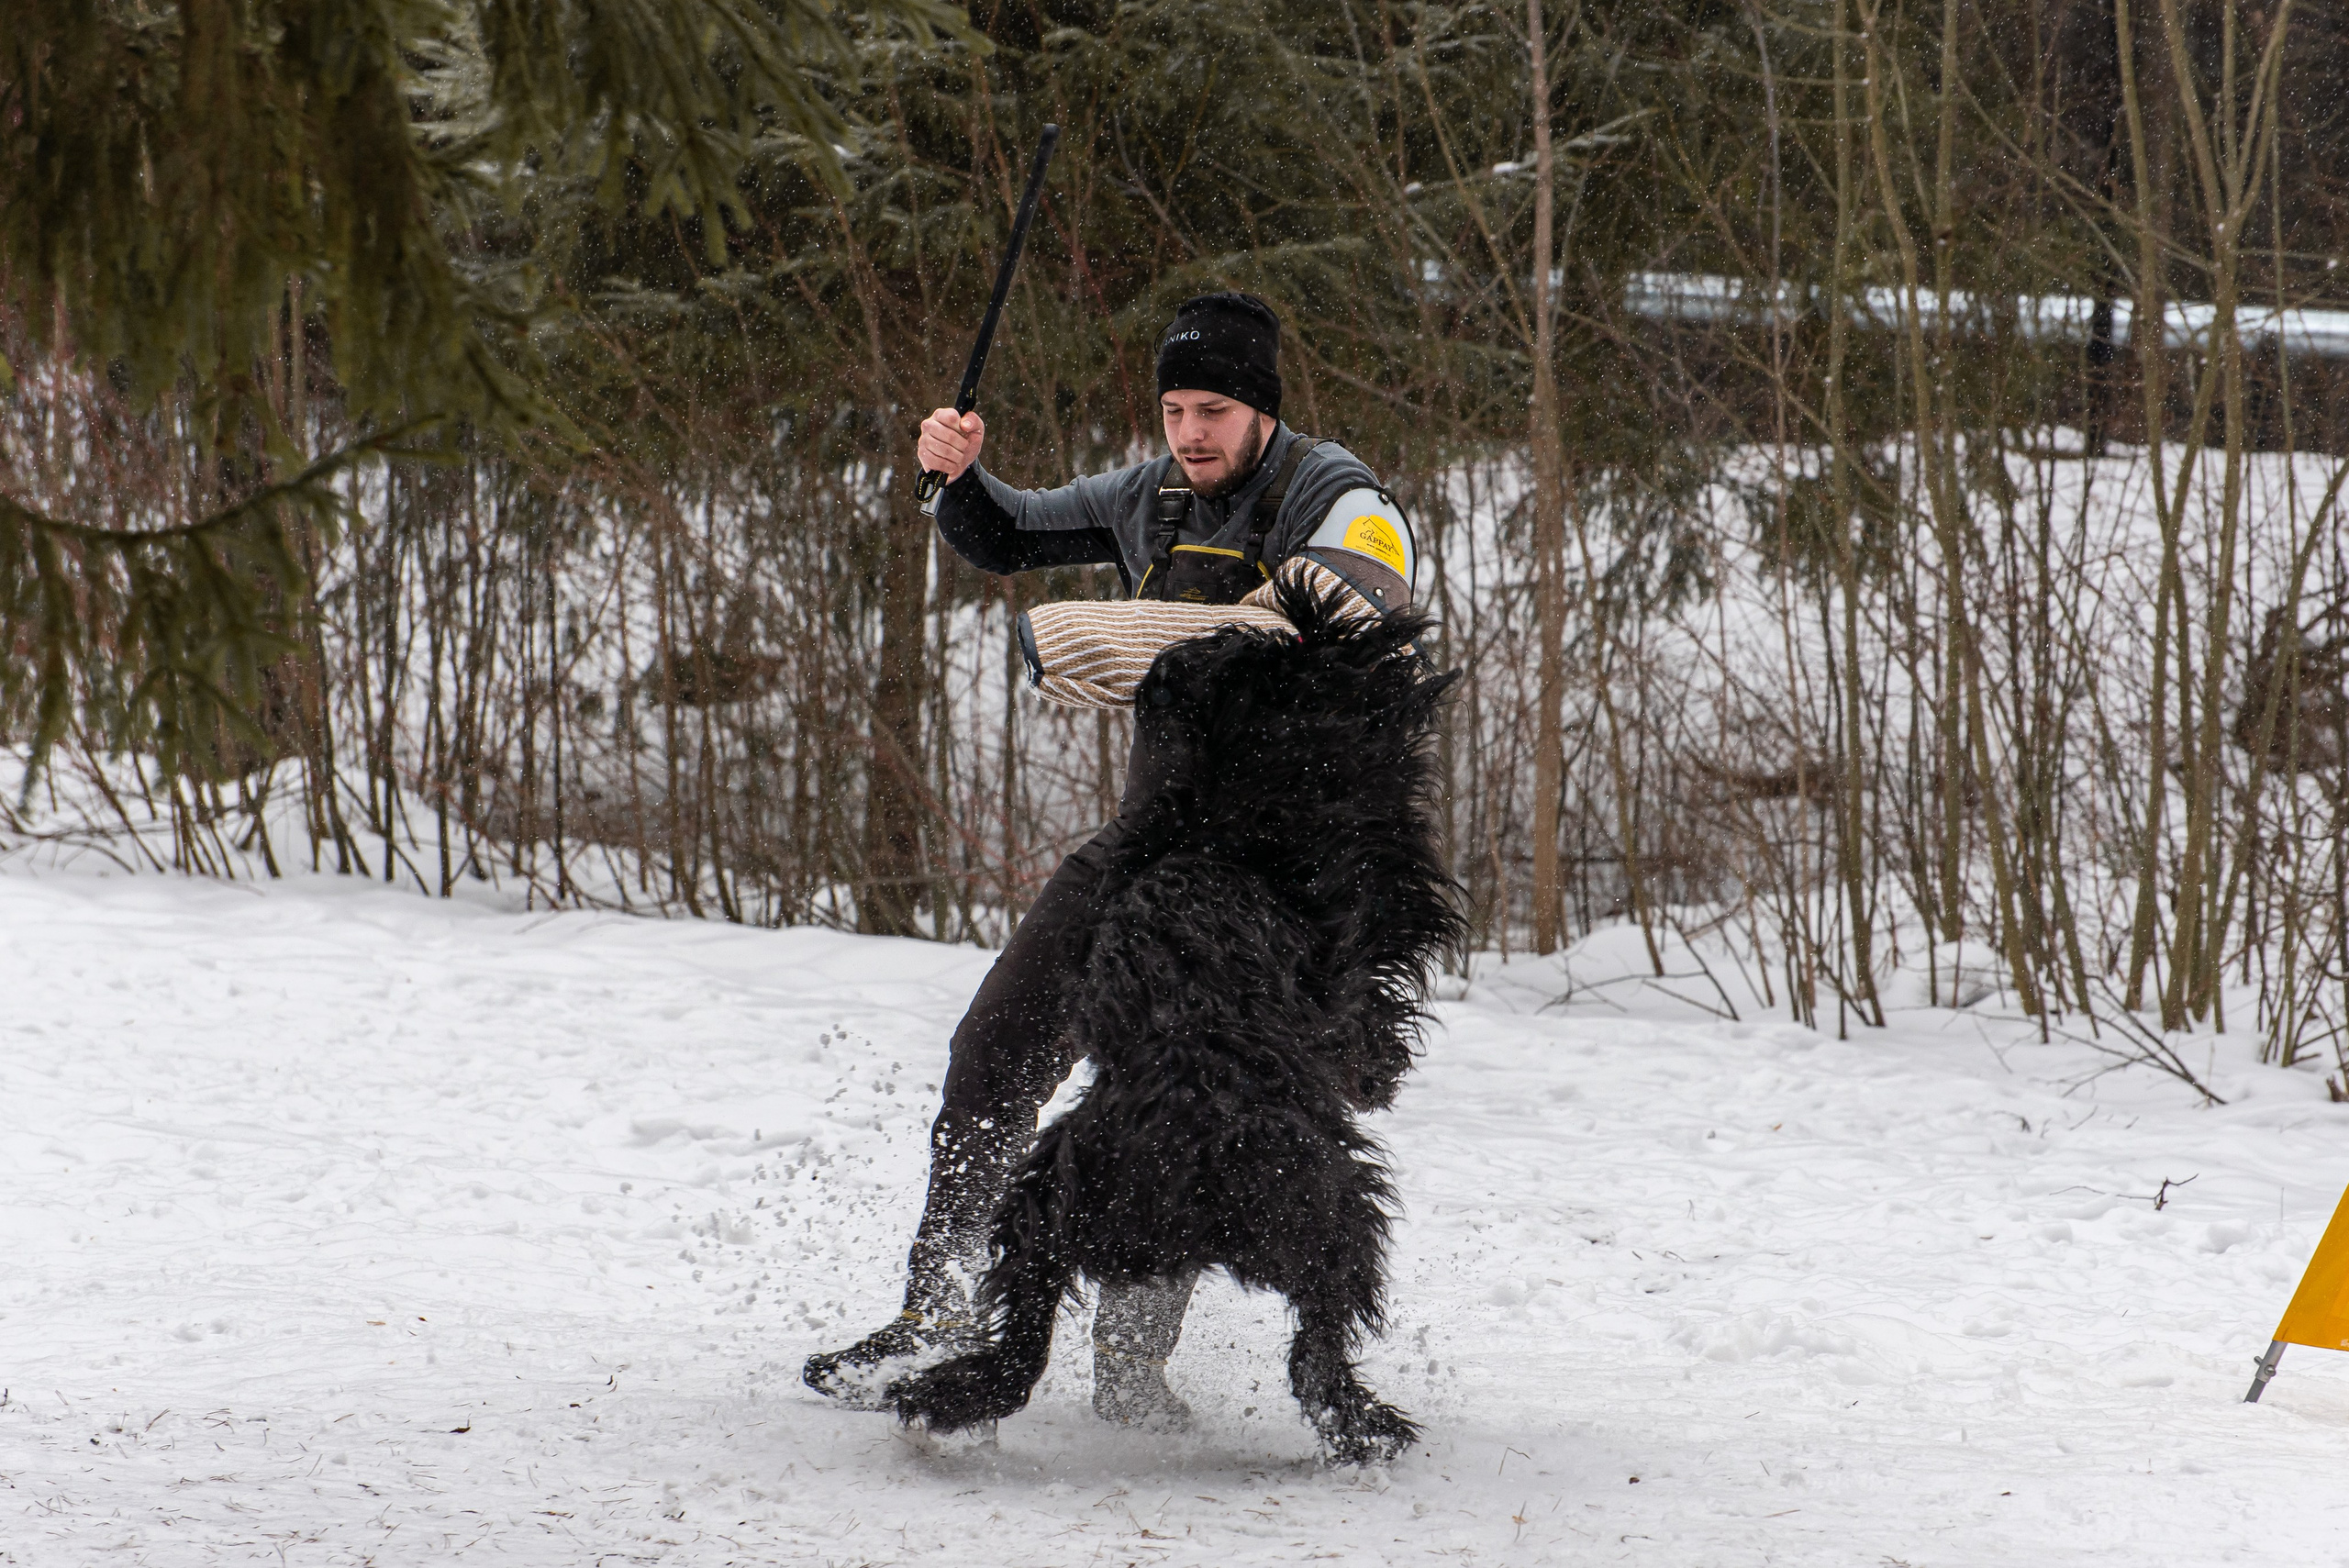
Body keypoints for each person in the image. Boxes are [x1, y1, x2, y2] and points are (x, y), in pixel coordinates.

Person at [803, 290, 1417, 1427]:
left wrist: (1124, 637)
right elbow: (1008, 535)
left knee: (1189, 1101)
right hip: (1142, 841)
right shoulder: (1151, 494)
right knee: (995, 1052)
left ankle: (1131, 1367)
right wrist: (957, 476)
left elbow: (1355, 605)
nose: (1192, 432)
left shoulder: (1340, 496)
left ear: (1265, 411)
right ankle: (933, 1316)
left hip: (1275, 876)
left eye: (1216, 410)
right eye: (1176, 408)